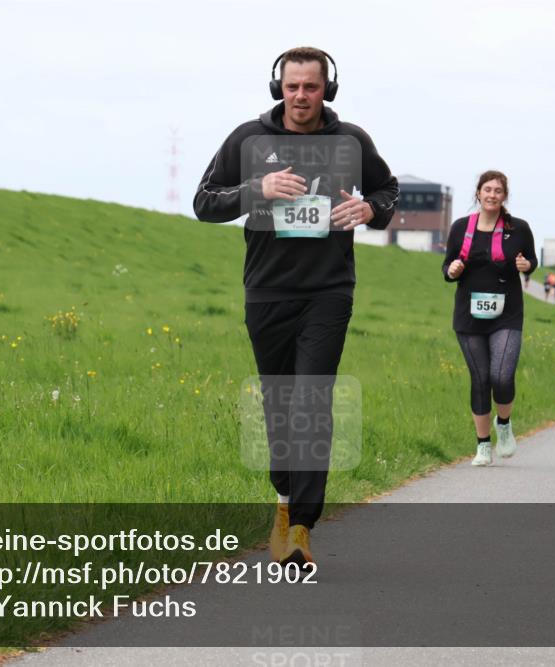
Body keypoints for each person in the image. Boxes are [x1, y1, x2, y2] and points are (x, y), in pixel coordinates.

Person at [194, 47, 399, 569]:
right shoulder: (249, 139)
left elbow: (387, 190)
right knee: (279, 404)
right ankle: (284, 503)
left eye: (311, 87)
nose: (301, 96)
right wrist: (256, 188)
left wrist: (371, 208)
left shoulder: (351, 141)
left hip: (328, 291)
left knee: (312, 400)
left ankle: (303, 527)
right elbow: (205, 203)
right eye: (292, 87)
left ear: (327, 89)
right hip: (267, 291)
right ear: (278, 88)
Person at [444, 170, 537, 467]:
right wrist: (452, 270)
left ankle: (504, 424)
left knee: (501, 376)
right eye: (487, 189)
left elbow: (532, 260)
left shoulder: (519, 228)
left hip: (506, 313)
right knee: (481, 378)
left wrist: (526, 265)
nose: (492, 195)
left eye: (498, 190)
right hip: (469, 314)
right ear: (478, 193)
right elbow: (447, 266)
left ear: (504, 196)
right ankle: (483, 445)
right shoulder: (461, 227)